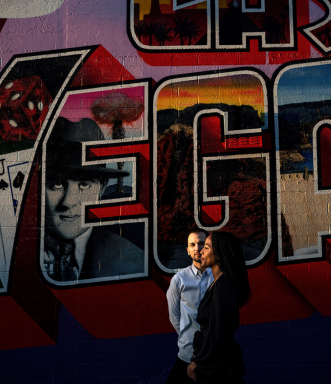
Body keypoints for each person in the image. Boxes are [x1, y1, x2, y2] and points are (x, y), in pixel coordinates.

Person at [42, 117, 145, 282]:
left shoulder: (130, 260)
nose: (68, 201)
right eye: (57, 185)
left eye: (84, 185)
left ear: (102, 187)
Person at [187, 231, 250, 384]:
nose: (201, 251)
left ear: (220, 255)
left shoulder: (223, 285)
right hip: (216, 365)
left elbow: (218, 333)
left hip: (219, 370)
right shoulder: (218, 284)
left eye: (206, 247)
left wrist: (198, 363)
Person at [166, 230, 214, 384]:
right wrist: (188, 337)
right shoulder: (179, 280)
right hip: (187, 353)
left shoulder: (217, 277)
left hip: (213, 354)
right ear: (187, 250)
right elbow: (174, 317)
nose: (197, 248)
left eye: (201, 244)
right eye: (192, 244)